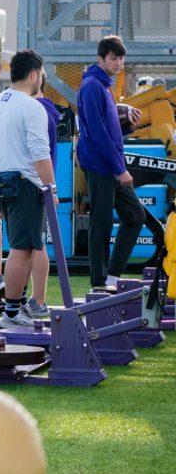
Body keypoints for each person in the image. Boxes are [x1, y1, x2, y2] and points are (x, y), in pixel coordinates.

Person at [0, 50, 57, 331]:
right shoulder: (31, 106)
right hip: (24, 184)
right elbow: (40, 154)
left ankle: (18, 305)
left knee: (25, 245)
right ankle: (12, 312)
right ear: (35, 74)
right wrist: (50, 187)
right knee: (22, 249)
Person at [76, 35, 146, 291]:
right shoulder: (93, 85)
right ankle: (99, 282)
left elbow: (108, 129)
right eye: (114, 58)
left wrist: (126, 123)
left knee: (134, 215)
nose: (118, 63)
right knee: (102, 221)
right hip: (99, 164)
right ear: (101, 58)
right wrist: (120, 169)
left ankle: (112, 277)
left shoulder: (104, 85)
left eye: (121, 58)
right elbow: (96, 132)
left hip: (109, 162)